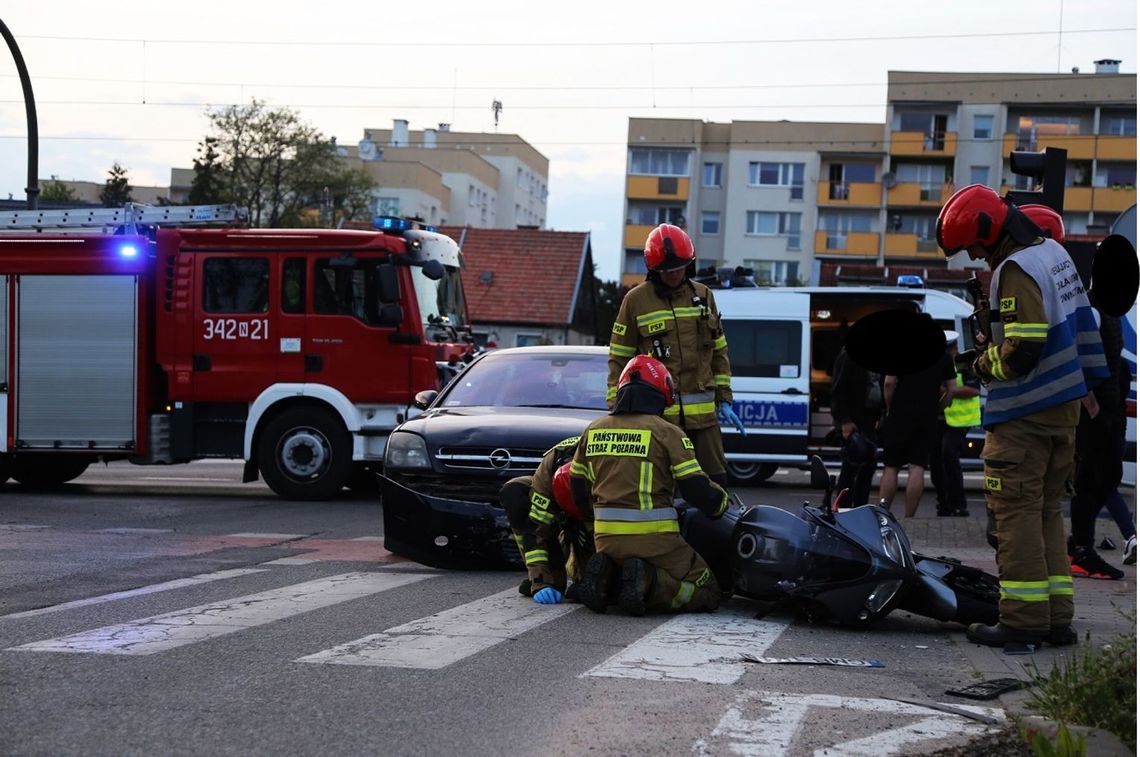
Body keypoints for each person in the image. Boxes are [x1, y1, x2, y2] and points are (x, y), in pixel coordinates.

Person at [936, 185, 1108, 650]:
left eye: (972, 245)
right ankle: (1056, 619)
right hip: (1062, 410)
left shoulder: (1015, 268)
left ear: (990, 232)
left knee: (1014, 516)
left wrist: (980, 364)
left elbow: (1024, 347)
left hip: (1025, 413)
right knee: (1048, 513)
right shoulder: (1054, 253)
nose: (972, 254)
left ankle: (1022, 621)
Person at [570, 355, 730, 616]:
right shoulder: (667, 432)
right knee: (707, 589)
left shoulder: (594, 429)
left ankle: (609, 579)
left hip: (605, 540)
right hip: (656, 541)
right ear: (662, 393)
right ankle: (650, 582)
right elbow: (696, 490)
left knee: (624, 571)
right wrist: (722, 504)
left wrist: (596, 520)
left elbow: (577, 490)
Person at [606, 223, 743, 488]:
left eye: (679, 268)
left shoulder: (704, 296)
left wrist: (725, 398)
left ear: (688, 265)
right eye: (666, 270)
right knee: (661, 484)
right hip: (658, 417)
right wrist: (616, 405)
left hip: (704, 420)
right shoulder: (635, 301)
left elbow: (719, 350)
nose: (673, 274)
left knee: (714, 482)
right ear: (654, 270)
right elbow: (619, 357)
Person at [500, 436, 593, 603]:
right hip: (559, 506)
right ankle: (549, 575)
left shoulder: (607, 465)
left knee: (590, 583)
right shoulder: (553, 464)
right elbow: (535, 530)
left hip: (597, 512)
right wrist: (540, 582)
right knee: (515, 492)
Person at [876, 329, 956, 518]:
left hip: (898, 417)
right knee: (917, 467)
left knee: (891, 467)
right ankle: (909, 517)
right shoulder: (942, 357)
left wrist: (890, 408)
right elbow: (952, 389)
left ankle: (882, 515)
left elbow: (888, 383)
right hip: (926, 418)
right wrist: (938, 408)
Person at [928, 331, 981, 517]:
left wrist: (948, 390)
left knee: (948, 454)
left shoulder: (964, 365)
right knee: (935, 463)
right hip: (937, 420)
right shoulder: (935, 364)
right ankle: (944, 504)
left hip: (959, 422)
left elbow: (974, 390)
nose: (956, 350)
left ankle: (959, 504)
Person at [830, 344, 883, 507]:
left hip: (868, 419)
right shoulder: (848, 356)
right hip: (853, 420)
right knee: (851, 465)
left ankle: (860, 507)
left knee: (868, 466)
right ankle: (844, 508)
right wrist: (845, 421)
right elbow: (838, 390)